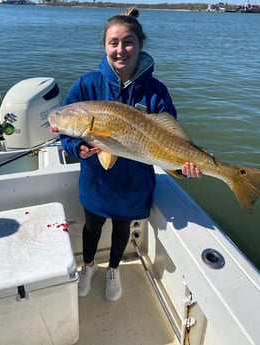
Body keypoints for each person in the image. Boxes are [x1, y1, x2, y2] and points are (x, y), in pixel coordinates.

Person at [60, 8, 201, 302]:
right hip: (97, 181)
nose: (120, 50)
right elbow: (65, 135)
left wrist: (183, 165)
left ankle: (112, 268)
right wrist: (78, 148)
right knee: (92, 226)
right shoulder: (87, 85)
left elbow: (172, 136)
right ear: (104, 47)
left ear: (140, 45)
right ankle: (88, 266)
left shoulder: (156, 91)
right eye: (113, 43)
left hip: (135, 183)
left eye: (127, 42)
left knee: (122, 228)